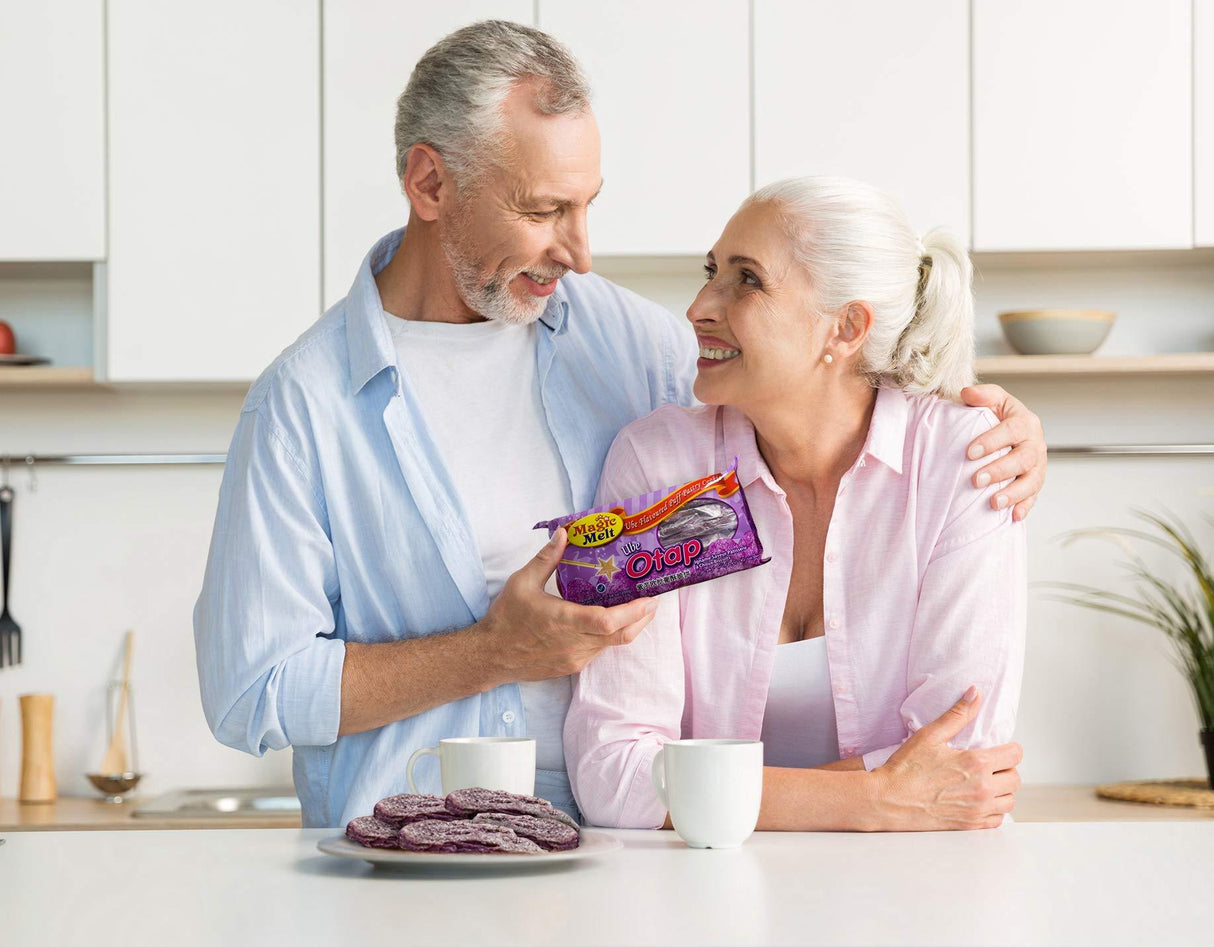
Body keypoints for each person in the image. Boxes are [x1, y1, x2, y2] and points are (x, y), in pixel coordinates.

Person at [193, 21, 1045, 829]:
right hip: (402, 854)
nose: (579, 251)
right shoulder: (302, 408)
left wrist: (992, 427)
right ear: (430, 184)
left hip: (615, 862)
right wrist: (492, 650)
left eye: (585, 206)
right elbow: (251, 690)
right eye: (543, 210)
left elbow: (800, 383)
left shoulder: (625, 345)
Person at [565, 177, 1026, 831]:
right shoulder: (658, 465)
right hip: (706, 882)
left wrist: (704, 795)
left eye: (747, 280)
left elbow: (961, 763)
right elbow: (611, 773)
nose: (698, 306)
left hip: (918, 878)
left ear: (846, 327)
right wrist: (872, 798)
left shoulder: (963, 460)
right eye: (712, 272)